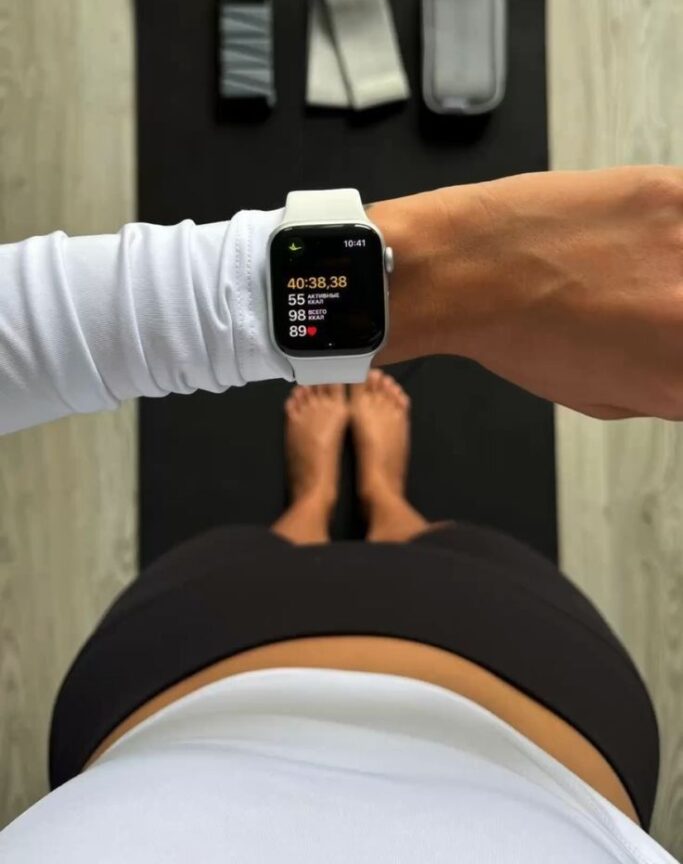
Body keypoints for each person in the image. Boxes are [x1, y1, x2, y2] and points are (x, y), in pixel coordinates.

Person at [0, 165, 681, 861]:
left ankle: (313, 501)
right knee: (452, 552)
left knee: (256, 553)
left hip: (174, 679)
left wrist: (449, 271)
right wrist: (456, 275)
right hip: (539, 705)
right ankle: (384, 502)